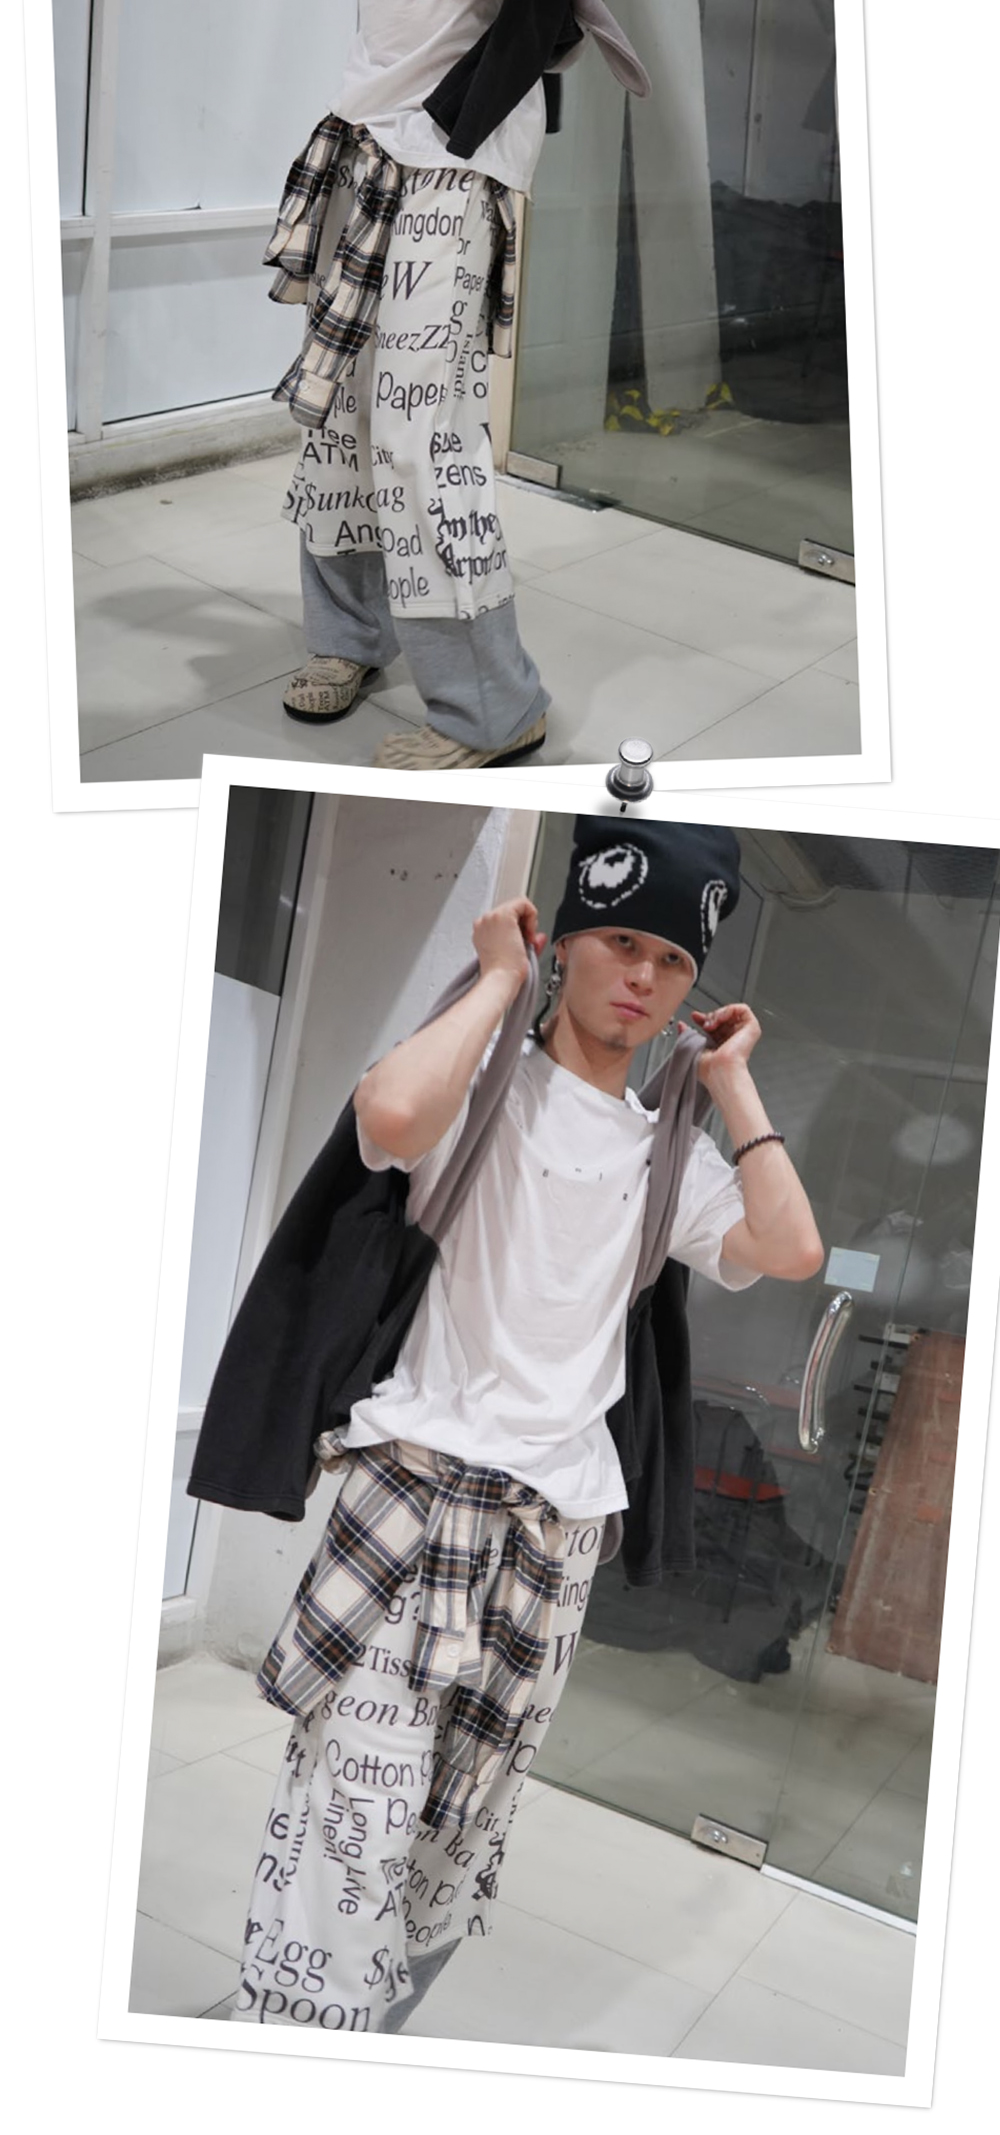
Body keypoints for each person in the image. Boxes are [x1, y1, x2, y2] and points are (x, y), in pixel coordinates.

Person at [202, 818, 823, 2033]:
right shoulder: (481, 1082)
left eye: (673, 962)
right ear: (569, 941)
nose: (643, 977)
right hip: (415, 1489)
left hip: (555, 1522)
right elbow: (389, 1115)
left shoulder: (666, 1157)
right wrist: (497, 979)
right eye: (622, 942)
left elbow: (790, 1246)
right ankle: (292, 2040)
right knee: (354, 1809)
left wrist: (733, 1081)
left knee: (465, 1813)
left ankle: (373, 2025)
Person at [246, 0, 637, 765]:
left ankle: (492, 707)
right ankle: (348, 636)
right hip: (369, 150)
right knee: (340, 417)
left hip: (451, 166)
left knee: (425, 438)